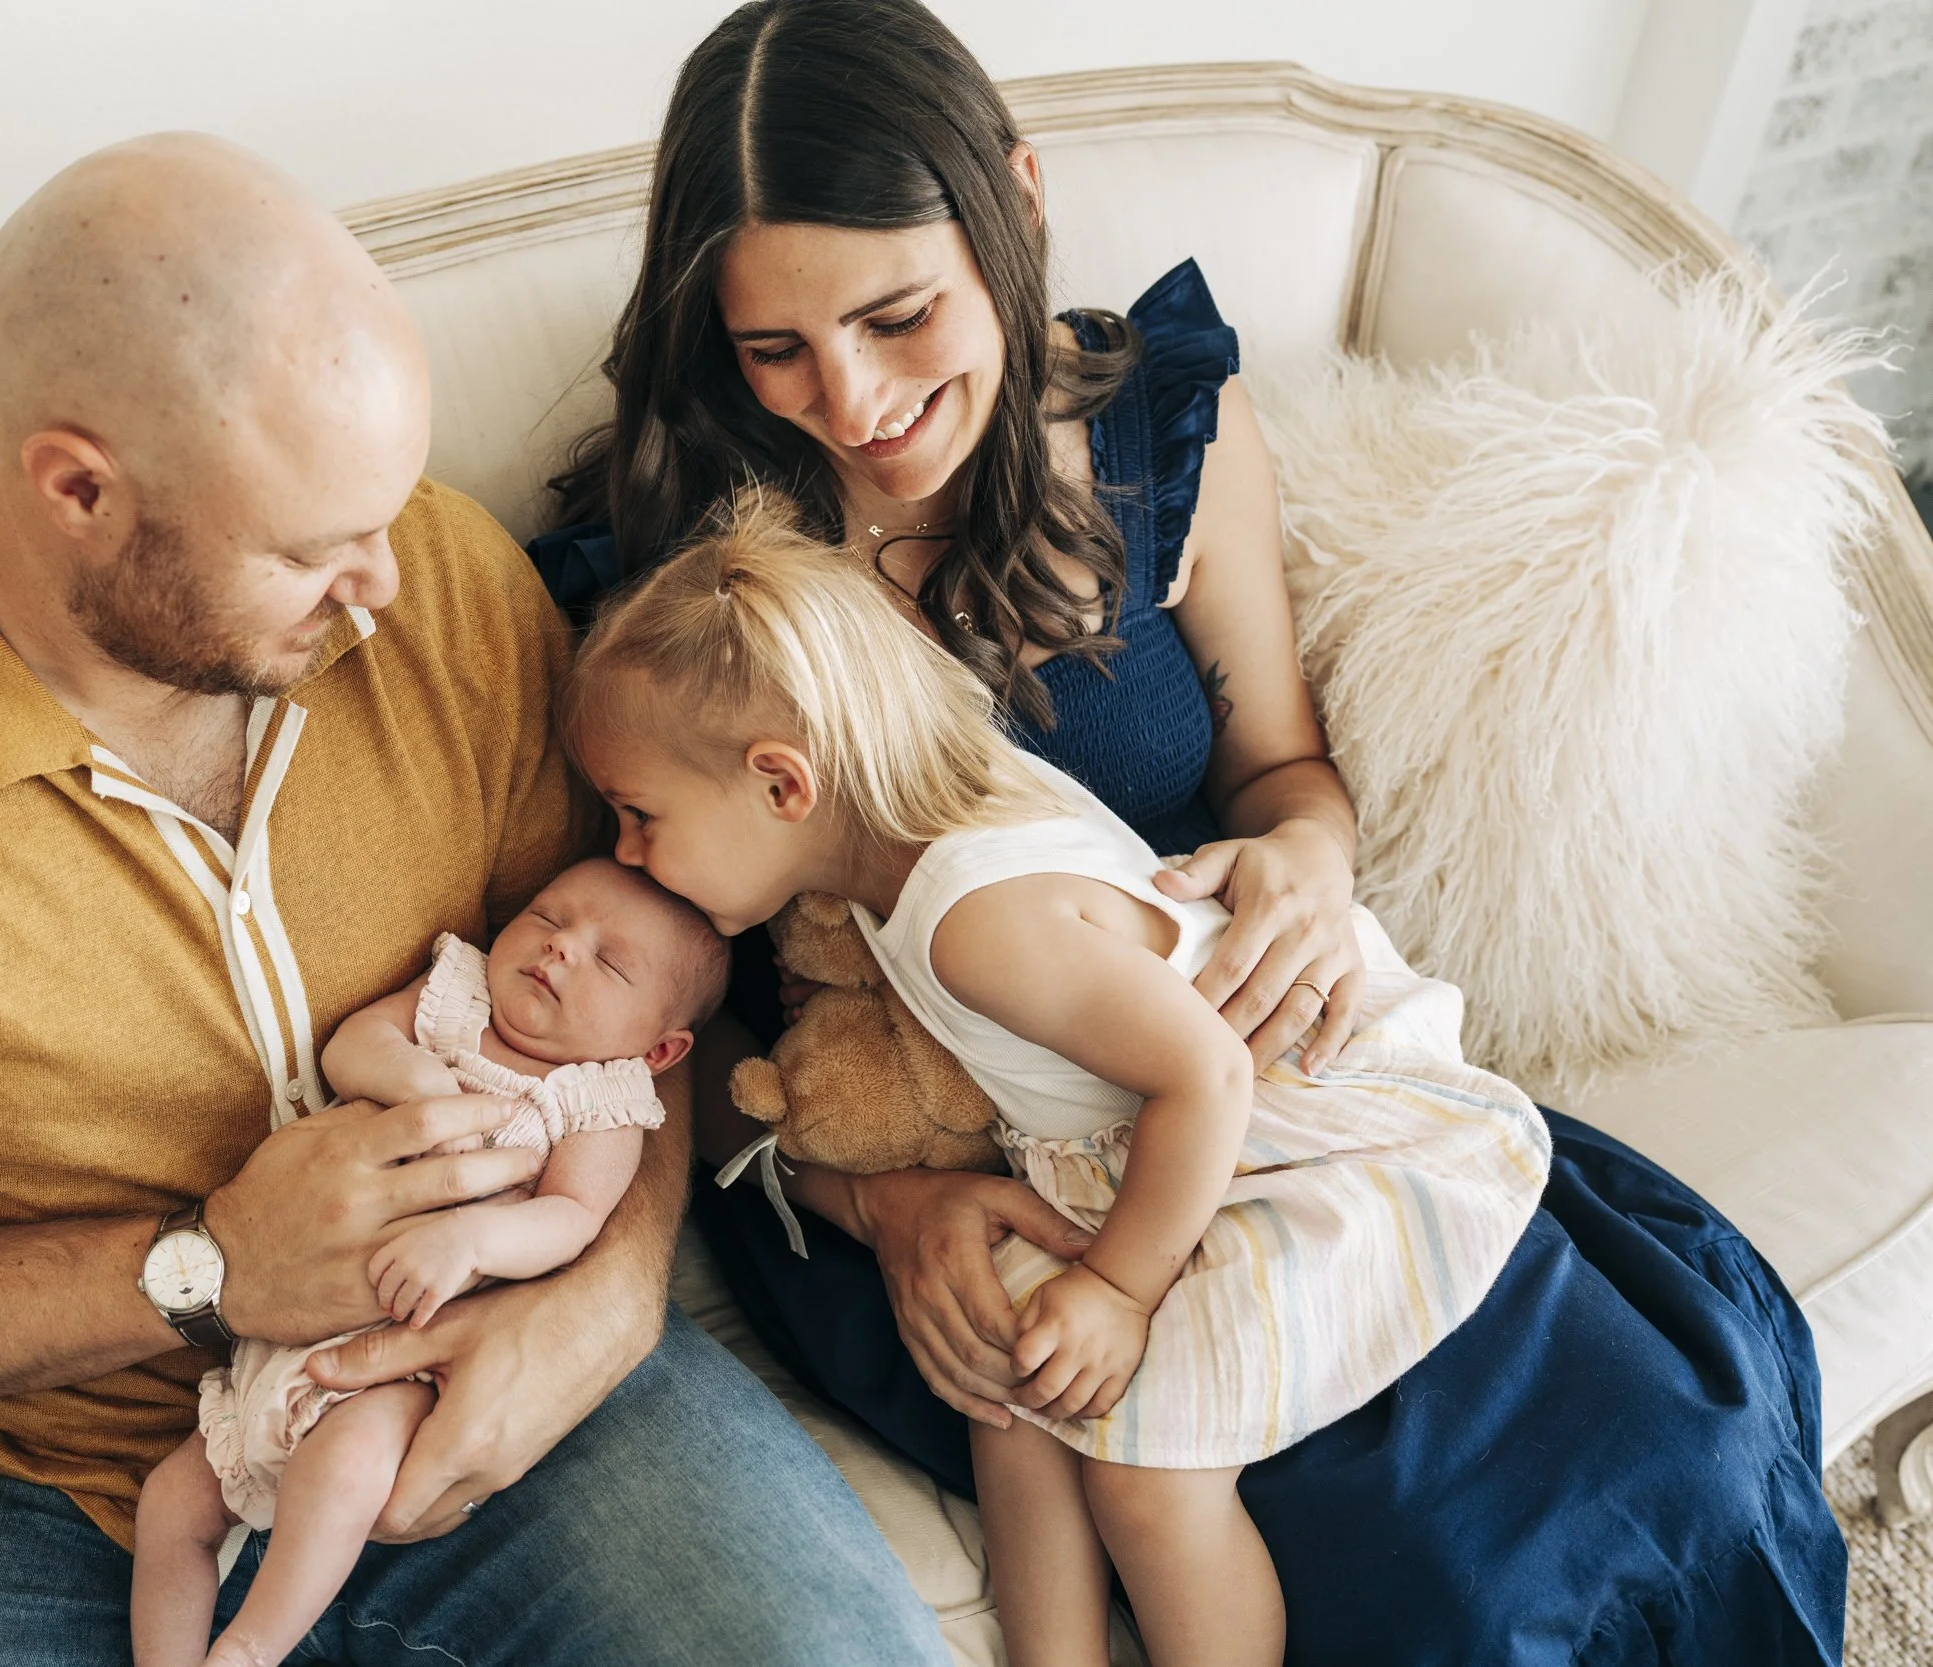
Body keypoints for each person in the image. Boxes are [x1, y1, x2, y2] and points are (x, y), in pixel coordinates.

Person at [532, 2, 1847, 1660]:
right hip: (948, 1182)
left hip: (1244, 1104)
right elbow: (646, 1005)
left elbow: (1281, 771)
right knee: (1423, 1576)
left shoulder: (1166, 446)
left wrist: (1308, 856)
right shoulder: (672, 588)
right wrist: (882, 1208)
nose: (851, 401)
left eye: (897, 314)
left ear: (1012, 204)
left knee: (1675, 1447)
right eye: (771, 348)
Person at [0, 133, 948, 1665]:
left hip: (483, 1351)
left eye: (386, 515)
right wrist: (204, 1267)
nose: (387, 587)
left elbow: (631, 989)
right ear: (80, 489)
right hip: (35, 1472)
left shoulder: (444, 587)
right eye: (311, 551)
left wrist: (605, 1294)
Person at [563, 495, 1550, 1667]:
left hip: (1293, 1123)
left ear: (784, 784)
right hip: (1129, 1135)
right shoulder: (887, 845)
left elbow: (1206, 1075)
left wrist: (1123, 1292)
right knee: (1012, 1383)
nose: (625, 855)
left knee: (1149, 1479)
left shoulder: (976, 919)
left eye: (639, 816)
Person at [132, 858, 728, 1667]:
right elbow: (354, 1044)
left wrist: (472, 1241)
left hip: (402, 1364)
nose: (560, 950)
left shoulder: (599, 1100)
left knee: (340, 1470)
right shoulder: (457, 992)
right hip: (279, 1332)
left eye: (609, 961)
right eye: (550, 918)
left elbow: (573, 1216)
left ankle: (248, 1648)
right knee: (172, 1502)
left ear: (660, 1047)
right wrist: (414, 1078)